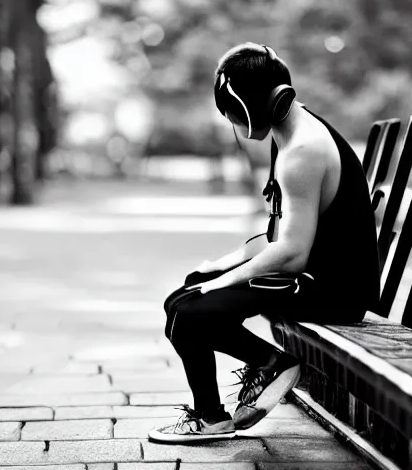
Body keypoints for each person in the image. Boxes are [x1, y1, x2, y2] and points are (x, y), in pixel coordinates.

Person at [148, 42, 380, 443]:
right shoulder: (290, 132)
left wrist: (226, 281)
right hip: (317, 274)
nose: (235, 123)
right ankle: (224, 404)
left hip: (333, 290)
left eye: (235, 112)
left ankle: (265, 367)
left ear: (253, 104)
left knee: (189, 314)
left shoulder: (302, 151)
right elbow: (281, 231)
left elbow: (291, 253)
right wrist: (225, 264)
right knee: (184, 295)